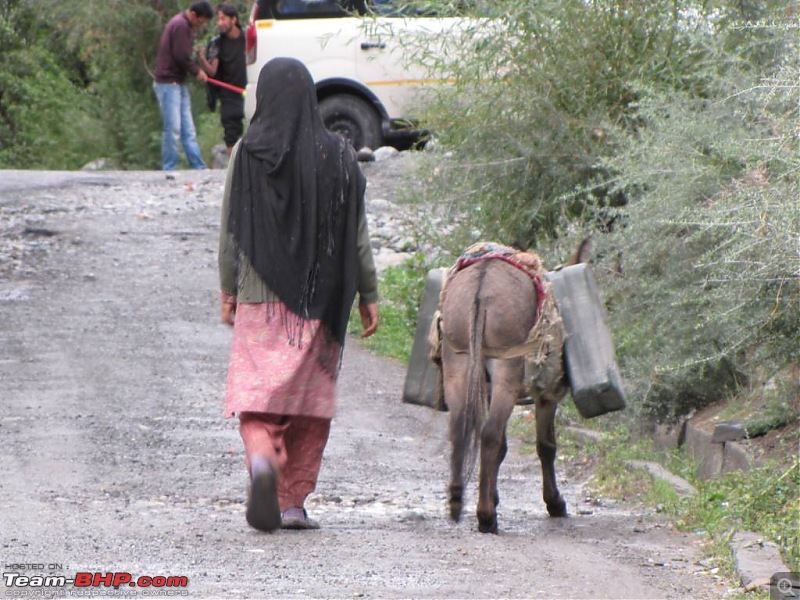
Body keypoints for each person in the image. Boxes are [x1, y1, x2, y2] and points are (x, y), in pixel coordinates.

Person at [218, 57, 380, 532]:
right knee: (308, 403)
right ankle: (291, 504)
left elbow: (231, 228)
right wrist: (368, 292)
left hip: (259, 298)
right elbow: (357, 234)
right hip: (320, 302)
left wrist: (229, 289)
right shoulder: (340, 154)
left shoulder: (247, 152)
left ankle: (263, 461)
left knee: (256, 399)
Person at [153, 2, 213, 171]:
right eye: (201, 21)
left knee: (188, 129)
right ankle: (169, 167)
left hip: (178, 82)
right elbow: (181, 55)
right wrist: (197, 72)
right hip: (167, 83)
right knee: (172, 128)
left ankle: (198, 167)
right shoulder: (180, 25)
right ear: (193, 15)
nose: (201, 25)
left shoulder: (184, 25)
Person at [197, 3, 247, 156]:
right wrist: (201, 59)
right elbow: (212, 71)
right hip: (229, 93)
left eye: (223, 19)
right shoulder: (216, 44)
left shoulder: (248, 37)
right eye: (218, 19)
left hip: (249, 89)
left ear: (234, 19)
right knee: (231, 131)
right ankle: (232, 167)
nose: (220, 23)